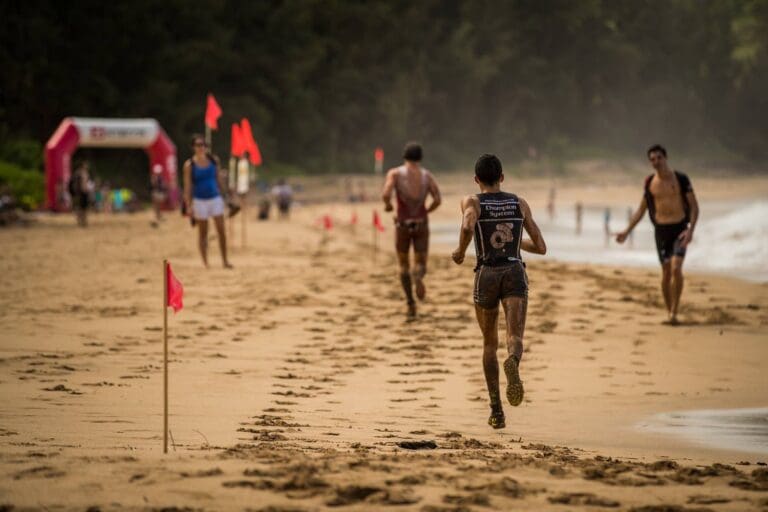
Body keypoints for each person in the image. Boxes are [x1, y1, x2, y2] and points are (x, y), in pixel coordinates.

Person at [452, 154, 546, 429]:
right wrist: (515, 244)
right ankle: (514, 361)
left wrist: (460, 251)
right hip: (514, 271)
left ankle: (496, 410)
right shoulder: (519, 203)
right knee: (514, 336)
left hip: (486, 274)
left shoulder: (472, 201)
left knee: (489, 344)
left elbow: (469, 224)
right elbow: (541, 246)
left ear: (476, 179)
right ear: (502, 177)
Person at [616, 144, 699, 325]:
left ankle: (674, 312)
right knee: (666, 272)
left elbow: (694, 207)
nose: (656, 162)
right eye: (652, 159)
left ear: (666, 157)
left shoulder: (681, 179)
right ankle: (669, 310)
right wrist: (626, 232)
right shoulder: (650, 183)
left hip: (680, 229)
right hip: (661, 232)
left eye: (659, 158)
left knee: (676, 268)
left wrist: (691, 230)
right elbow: (640, 211)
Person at [381, 142, 441, 318]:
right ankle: (419, 277)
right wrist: (427, 211)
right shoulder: (427, 176)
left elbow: (385, 194)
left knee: (403, 265)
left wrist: (388, 206)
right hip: (421, 223)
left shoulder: (395, 173)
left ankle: (410, 303)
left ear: (404, 157)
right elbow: (437, 199)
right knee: (421, 262)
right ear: (420, 158)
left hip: (402, 225)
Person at [182, 134, 233, 269]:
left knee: (221, 230)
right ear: (193, 147)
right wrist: (188, 205)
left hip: (215, 198)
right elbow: (188, 186)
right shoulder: (189, 165)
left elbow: (219, 180)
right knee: (203, 233)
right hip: (199, 201)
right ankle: (206, 262)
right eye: (198, 145)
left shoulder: (213, 160)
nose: (201, 147)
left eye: (203, 145)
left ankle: (225, 261)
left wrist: (226, 195)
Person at [68, 161, 91, 227]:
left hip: (79, 193)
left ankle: (81, 220)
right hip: (82, 192)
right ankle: (82, 221)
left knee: (81, 207)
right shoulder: (82, 173)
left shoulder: (77, 173)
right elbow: (82, 184)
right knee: (83, 208)